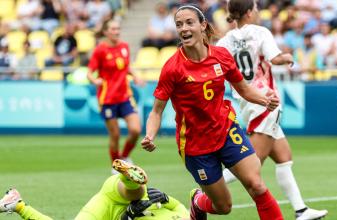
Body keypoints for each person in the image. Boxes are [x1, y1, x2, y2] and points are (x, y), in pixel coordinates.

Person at [141, 4, 283, 220]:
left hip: (226, 130)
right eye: (179, 24)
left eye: (189, 22)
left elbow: (243, 89)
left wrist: (264, 99)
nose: (183, 28)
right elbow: (156, 111)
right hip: (196, 144)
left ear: (202, 25)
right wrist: (150, 134)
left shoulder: (222, 56)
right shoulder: (172, 68)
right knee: (224, 207)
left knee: (256, 185)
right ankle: (198, 201)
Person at [216, 1, 328, 220]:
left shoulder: (224, 41)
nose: (258, 11)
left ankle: (301, 210)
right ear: (249, 12)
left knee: (284, 158)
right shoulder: (260, 32)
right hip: (267, 102)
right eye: (256, 8)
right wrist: (287, 57)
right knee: (251, 162)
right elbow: (275, 58)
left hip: (247, 102)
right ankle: (206, 188)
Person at [0, 159, 189, 220]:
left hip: (119, 212)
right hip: (132, 198)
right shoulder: (185, 217)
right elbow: (181, 206)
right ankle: (129, 178)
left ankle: (17, 205)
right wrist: (166, 198)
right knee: (136, 191)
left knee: (136, 192)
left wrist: (127, 218)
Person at [87, 19, 143, 172]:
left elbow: (126, 67)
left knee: (136, 130)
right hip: (107, 99)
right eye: (113, 29)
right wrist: (95, 80)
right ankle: (116, 165)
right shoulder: (100, 50)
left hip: (125, 96)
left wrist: (136, 75)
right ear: (106, 32)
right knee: (115, 134)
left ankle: (124, 157)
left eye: (118, 28)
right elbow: (89, 72)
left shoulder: (124, 47)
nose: (116, 31)